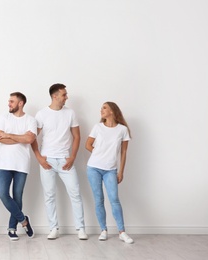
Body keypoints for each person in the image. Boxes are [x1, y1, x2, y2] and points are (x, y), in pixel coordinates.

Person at [31, 83, 88, 240]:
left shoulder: (70, 113)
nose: (66, 97)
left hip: (65, 160)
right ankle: (53, 228)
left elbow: (77, 136)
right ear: (54, 96)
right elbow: (32, 137)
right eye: (64, 94)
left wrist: (72, 157)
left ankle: (81, 228)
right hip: (47, 160)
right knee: (49, 195)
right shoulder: (41, 114)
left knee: (75, 193)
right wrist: (39, 158)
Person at [85, 102, 134, 244]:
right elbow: (88, 144)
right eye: (101, 108)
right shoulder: (97, 127)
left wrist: (121, 171)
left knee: (114, 199)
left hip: (111, 170)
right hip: (93, 167)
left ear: (112, 111)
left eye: (104, 108)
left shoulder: (122, 130)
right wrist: (99, 154)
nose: (101, 110)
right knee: (99, 200)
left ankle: (122, 232)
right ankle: (103, 230)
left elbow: (124, 152)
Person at [0, 92, 36, 241]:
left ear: (20, 103)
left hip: (22, 163)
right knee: (3, 194)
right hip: (5, 163)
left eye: (12, 101)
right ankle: (24, 221)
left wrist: (9, 135)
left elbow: (30, 139)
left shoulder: (31, 120)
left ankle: (12, 228)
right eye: (9, 101)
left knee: (17, 197)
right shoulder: (3, 117)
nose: (9, 104)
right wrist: (21, 137)